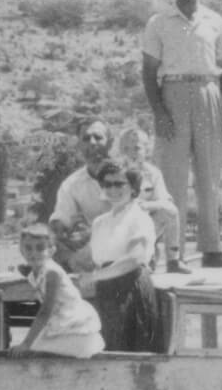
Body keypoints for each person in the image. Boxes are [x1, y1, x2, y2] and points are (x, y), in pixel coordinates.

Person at [141, 0, 222, 268]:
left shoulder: (215, 21)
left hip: (209, 92)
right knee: (173, 180)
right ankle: (173, 254)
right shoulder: (159, 23)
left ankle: (212, 250)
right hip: (173, 94)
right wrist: (159, 112)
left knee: (209, 177)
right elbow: (149, 72)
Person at [77, 161, 162, 352]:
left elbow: (135, 259)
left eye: (119, 184)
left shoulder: (139, 218)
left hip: (130, 289)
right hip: (106, 290)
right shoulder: (100, 222)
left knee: (128, 352)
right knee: (107, 349)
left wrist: (95, 276)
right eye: (107, 184)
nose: (112, 189)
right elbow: (91, 259)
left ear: (133, 188)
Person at [9, 224, 104, 359]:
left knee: (33, 350)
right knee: (35, 349)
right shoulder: (35, 272)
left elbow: (45, 311)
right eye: (28, 248)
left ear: (52, 251)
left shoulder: (51, 272)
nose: (34, 253)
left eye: (40, 248)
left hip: (75, 330)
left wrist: (25, 343)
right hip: (61, 325)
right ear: (21, 250)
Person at [117, 126, 190, 274]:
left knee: (170, 211)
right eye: (126, 149)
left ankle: (173, 260)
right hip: (120, 230)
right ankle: (141, 259)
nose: (131, 153)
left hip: (147, 225)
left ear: (146, 150)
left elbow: (164, 201)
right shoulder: (115, 172)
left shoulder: (153, 173)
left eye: (136, 148)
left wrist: (144, 205)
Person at [49, 119, 114, 273]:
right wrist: (59, 229)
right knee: (45, 238)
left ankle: (72, 265)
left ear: (110, 142)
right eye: (86, 138)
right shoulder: (71, 184)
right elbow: (62, 217)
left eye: (98, 137)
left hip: (119, 239)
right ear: (79, 145)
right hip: (86, 244)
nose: (92, 143)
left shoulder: (124, 174)